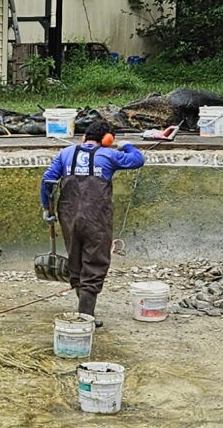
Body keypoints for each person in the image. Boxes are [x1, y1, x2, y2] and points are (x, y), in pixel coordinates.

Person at [41, 111, 145, 321]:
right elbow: (138, 159)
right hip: (96, 218)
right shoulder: (109, 154)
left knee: (75, 261)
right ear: (107, 140)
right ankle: (85, 317)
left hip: (68, 216)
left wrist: (47, 209)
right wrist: (126, 145)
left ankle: (85, 311)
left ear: (84, 137)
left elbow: (48, 181)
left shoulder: (65, 153)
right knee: (95, 263)